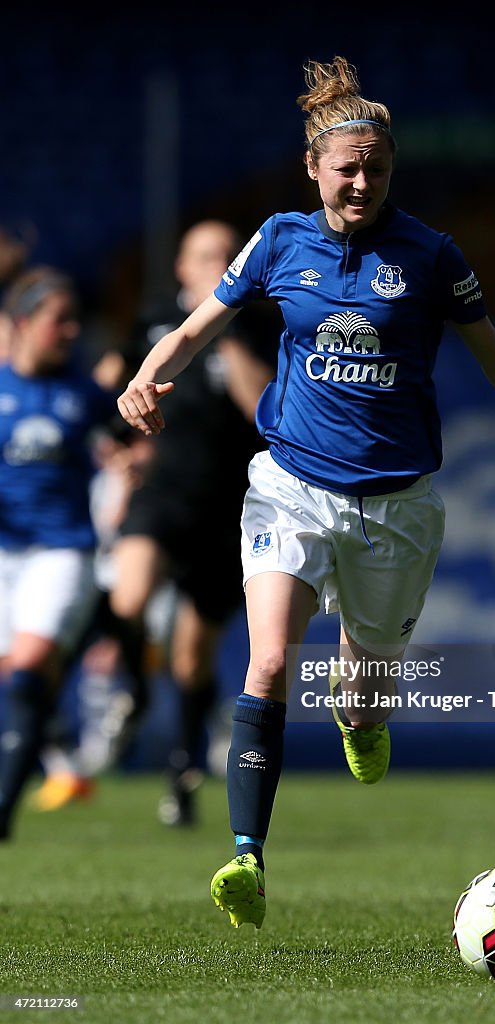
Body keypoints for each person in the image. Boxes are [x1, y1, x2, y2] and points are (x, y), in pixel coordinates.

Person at [117, 57, 495, 928]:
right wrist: (148, 377)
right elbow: (201, 322)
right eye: (347, 167)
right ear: (314, 167)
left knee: (360, 692)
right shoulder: (278, 240)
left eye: (377, 169)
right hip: (291, 487)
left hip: (397, 506)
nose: (361, 182)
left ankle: (361, 720)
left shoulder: (430, 255)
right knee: (269, 661)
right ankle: (247, 860)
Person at [107, 219, 276, 826]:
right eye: (206, 255)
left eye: (228, 256)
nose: (217, 263)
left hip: (228, 507)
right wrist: (119, 447)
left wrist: (223, 328)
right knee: (127, 602)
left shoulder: (258, 323)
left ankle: (181, 773)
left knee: (191, 659)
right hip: (163, 494)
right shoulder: (152, 322)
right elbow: (116, 391)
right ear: (181, 266)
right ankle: (133, 689)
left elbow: (263, 409)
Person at [0, 267, 118, 839]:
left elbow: (128, 433)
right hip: (5, 556)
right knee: (23, 683)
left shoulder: (82, 394)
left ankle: (2, 815)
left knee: (26, 674)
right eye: (58, 320)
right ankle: (60, 760)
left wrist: (135, 455)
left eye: (74, 320)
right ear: (23, 324)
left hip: (62, 552)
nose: (71, 330)